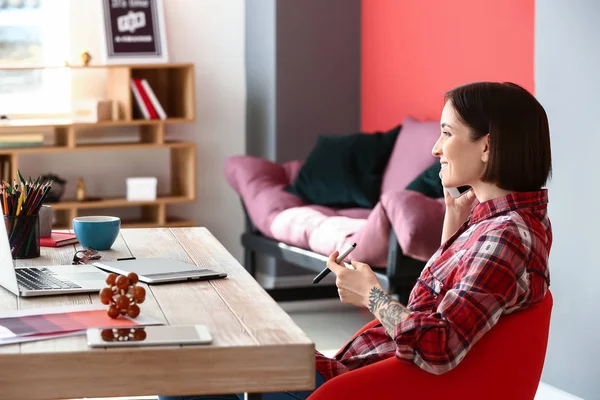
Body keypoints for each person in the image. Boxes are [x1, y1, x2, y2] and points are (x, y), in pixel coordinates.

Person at [158, 81, 552, 400]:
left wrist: (373, 296)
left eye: (446, 134)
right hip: (361, 377)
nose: (435, 149)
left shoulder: (504, 237)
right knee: (212, 355)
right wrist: (453, 221)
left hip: (358, 389)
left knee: (186, 372)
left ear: (487, 146)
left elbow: (439, 344)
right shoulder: (505, 225)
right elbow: (438, 304)